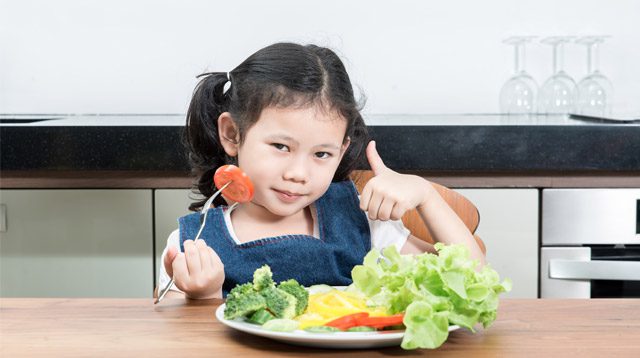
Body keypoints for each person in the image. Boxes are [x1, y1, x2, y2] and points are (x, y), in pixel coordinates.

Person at [158, 42, 485, 300]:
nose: (299, 173)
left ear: (341, 150)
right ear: (232, 134)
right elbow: (169, 335)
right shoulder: (194, 244)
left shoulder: (361, 224)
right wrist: (205, 295)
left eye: (322, 154)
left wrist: (425, 195)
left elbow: (473, 279)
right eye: (281, 147)